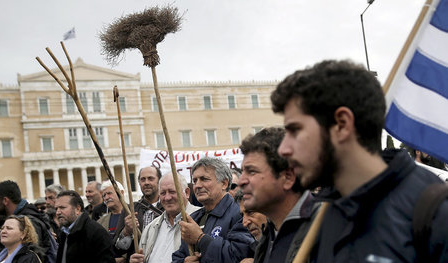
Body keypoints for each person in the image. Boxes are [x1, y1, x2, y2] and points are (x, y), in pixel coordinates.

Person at [271, 60, 448, 262]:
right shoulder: (322, 218)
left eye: (295, 130)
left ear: (342, 124)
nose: (283, 149)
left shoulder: (434, 212)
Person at [239, 127, 319, 263]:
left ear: (288, 177)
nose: (241, 181)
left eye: (251, 171)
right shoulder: (268, 236)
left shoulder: (326, 228)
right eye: (242, 172)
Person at [172, 157, 255, 263]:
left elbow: (237, 255)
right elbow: (178, 256)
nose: (197, 185)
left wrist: (200, 238)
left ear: (224, 183)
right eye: (195, 180)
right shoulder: (193, 218)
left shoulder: (240, 213)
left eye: (204, 179)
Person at [128, 173, 200, 263]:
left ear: (187, 193)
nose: (167, 198)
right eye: (162, 193)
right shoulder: (150, 228)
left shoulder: (201, 219)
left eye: (172, 192)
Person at [113, 167, 164, 259]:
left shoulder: (168, 207)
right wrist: (126, 231)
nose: (146, 182)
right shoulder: (129, 209)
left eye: (151, 178)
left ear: (159, 181)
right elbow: (118, 249)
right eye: (143, 179)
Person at [0, 180, 54, 262]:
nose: (4, 231)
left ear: (5, 200)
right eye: (3, 228)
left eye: (9, 228)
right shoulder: (17, 218)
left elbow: (32, 254)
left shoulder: (30, 221)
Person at [55, 190, 114, 263]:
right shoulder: (64, 233)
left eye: (62, 207)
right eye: (56, 209)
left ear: (77, 209)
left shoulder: (96, 232)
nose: (58, 212)